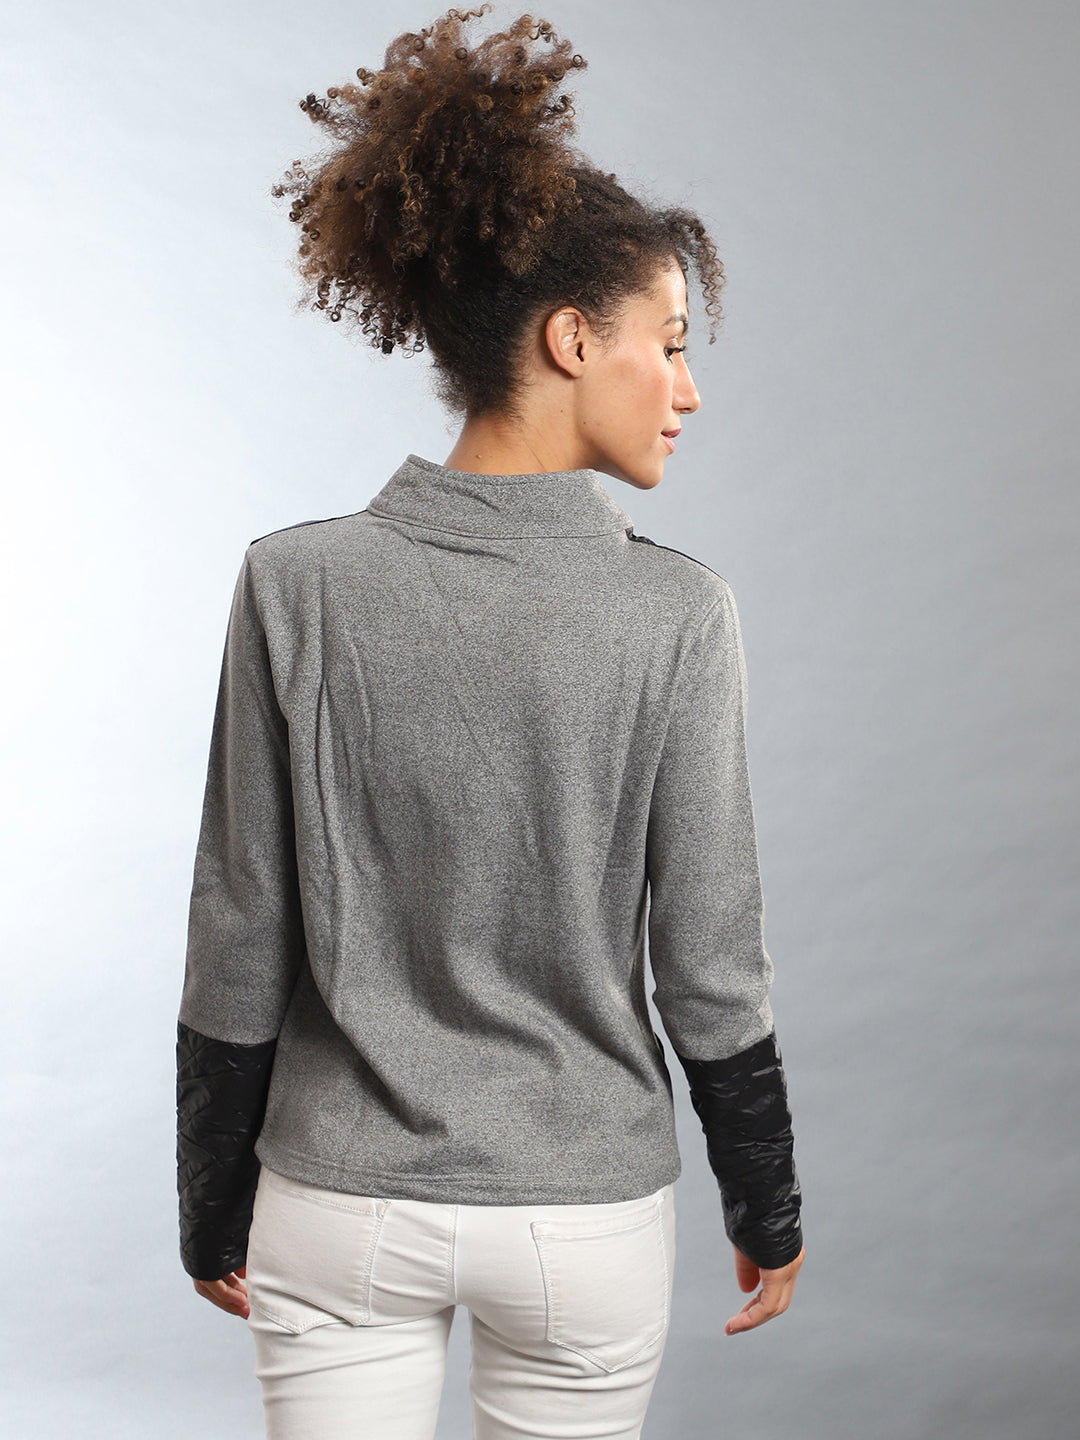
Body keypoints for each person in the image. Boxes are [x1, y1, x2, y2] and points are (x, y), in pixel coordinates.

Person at [175, 7, 804, 1438]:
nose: (690, 389)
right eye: (670, 344)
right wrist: (764, 1196)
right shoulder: (680, 614)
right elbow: (711, 962)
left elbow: (241, 925)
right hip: (583, 1220)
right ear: (573, 339)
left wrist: (211, 1192)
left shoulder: (295, 584)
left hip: (336, 1200)